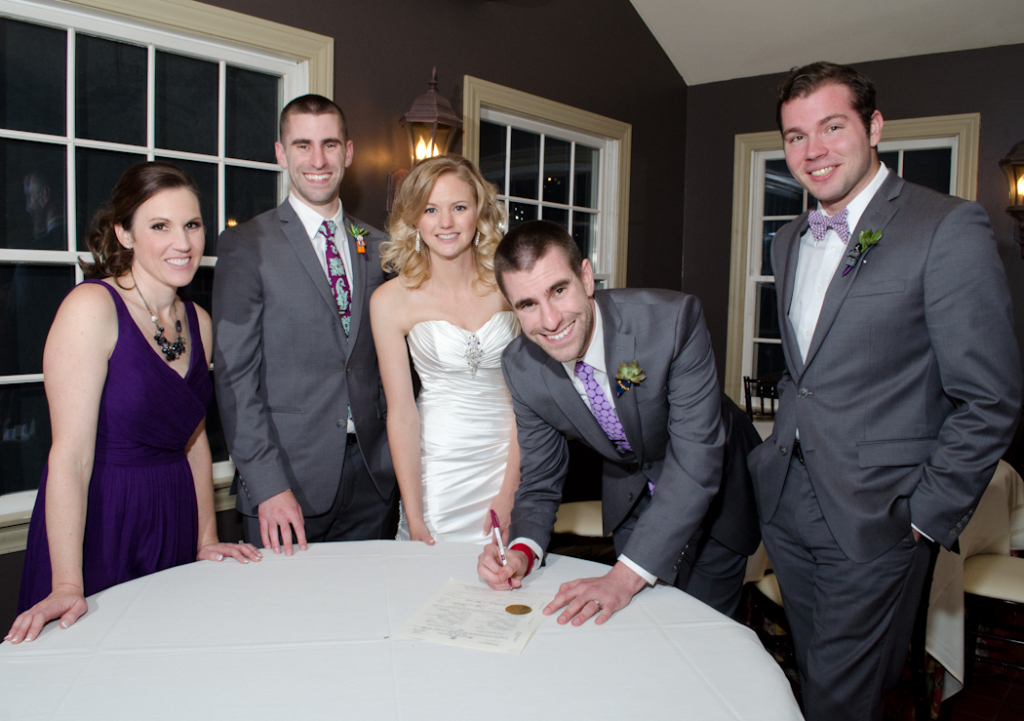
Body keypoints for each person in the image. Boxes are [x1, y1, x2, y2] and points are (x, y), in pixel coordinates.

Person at [746, 62, 1022, 721]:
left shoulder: (946, 226)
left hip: (878, 515)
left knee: (840, 700)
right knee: (814, 677)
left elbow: (990, 398)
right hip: (786, 502)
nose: (813, 150)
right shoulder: (789, 240)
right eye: (795, 136)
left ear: (873, 127)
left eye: (832, 127)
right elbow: (811, 372)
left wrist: (923, 517)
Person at [5, 161, 261, 645]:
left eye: (192, 225)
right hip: (103, 518)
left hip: (173, 516)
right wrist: (68, 583)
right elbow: (70, 457)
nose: (182, 242)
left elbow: (194, 440)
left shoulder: (199, 321)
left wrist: (205, 538)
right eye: (160, 226)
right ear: (124, 234)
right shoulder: (91, 308)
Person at [477, 220, 761, 620]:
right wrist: (521, 552)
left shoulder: (671, 322)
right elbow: (540, 476)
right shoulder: (521, 367)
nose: (551, 320)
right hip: (632, 495)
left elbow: (696, 459)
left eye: (558, 290)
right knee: (637, 628)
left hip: (714, 496)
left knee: (700, 631)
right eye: (527, 304)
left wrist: (624, 577)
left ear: (586, 277)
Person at [213, 95, 397, 555]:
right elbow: (235, 380)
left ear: (348, 152)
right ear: (281, 153)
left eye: (330, 144)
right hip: (287, 484)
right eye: (303, 145)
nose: (318, 160)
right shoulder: (246, 244)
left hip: (373, 481)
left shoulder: (380, 247)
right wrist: (267, 485)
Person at [370, 155, 518, 545]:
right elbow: (401, 413)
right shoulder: (390, 301)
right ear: (414, 218)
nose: (446, 223)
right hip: (437, 473)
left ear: (479, 213)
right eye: (431, 209)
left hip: (510, 461)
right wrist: (414, 514)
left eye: (459, 207)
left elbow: (530, 401)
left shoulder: (511, 288)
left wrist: (510, 492)